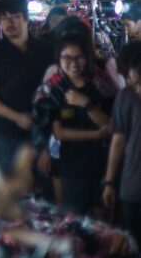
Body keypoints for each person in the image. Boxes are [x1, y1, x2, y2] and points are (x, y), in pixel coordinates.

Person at [35, 24, 112, 215]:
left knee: (101, 223)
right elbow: (58, 132)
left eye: (79, 57)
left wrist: (86, 104)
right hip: (70, 167)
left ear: (88, 57)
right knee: (73, 219)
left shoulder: (102, 85)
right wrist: (95, 134)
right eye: (67, 58)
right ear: (59, 59)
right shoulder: (53, 89)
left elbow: (110, 124)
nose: (74, 63)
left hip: (102, 164)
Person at [0, 0, 55, 175]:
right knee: (10, 184)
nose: (9, 24)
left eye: (15, 17)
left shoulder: (47, 50)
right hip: (6, 132)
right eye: (4, 19)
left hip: (45, 129)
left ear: (26, 19)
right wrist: (15, 116)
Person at [104, 53, 141, 246]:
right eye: (133, 82)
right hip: (132, 185)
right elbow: (117, 141)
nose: (137, 88)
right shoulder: (126, 96)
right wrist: (109, 182)